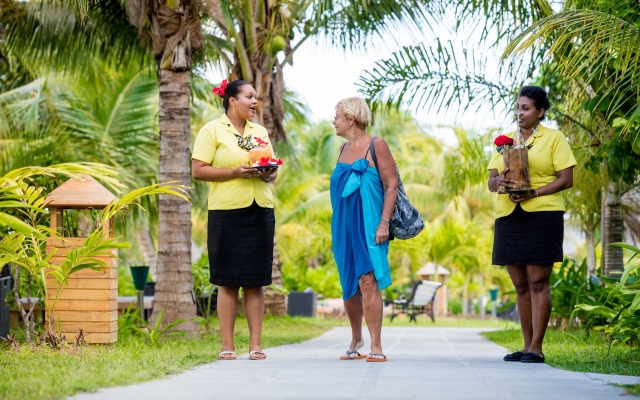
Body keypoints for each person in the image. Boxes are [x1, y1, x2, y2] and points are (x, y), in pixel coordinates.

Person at [487, 85, 576, 364]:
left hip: (542, 215)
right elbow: (491, 181)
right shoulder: (504, 141)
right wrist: (498, 181)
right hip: (508, 216)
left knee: (538, 281)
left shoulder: (554, 138)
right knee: (520, 285)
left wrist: (534, 193)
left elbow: (566, 179)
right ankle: (526, 346)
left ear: (540, 112)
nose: (519, 113)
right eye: (517, 107)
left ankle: (537, 347)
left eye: (525, 108)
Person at [192, 79, 278, 361]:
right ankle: (227, 345)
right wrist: (234, 173)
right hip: (226, 212)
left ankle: (256, 345)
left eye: (256, 97)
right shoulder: (212, 130)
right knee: (227, 280)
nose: (255, 102)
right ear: (232, 100)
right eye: (249, 96)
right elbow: (199, 171)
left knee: (255, 281)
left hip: (260, 209)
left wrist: (267, 172)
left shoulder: (260, 131)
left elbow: (271, 172)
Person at [330, 97, 398, 363]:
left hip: (369, 223)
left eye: (336, 115)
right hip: (343, 225)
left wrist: (384, 222)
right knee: (349, 282)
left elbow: (391, 184)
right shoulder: (343, 148)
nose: (333, 120)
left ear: (350, 119)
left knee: (368, 280)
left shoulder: (376, 144)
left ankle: (376, 345)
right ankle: (356, 338)